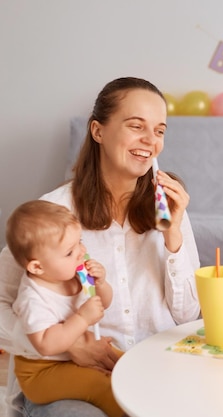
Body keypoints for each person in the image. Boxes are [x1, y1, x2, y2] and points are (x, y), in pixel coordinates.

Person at [0, 77, 200, 417]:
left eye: (159, 131)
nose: (150, 141)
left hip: (156, 371)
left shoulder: (166, 212)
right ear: (98, 131)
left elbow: (187, 314)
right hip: (72, 379)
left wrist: (173, 235)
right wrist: (68, 346)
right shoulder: (54, 213)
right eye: (136, 126)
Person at [6, 200, 124, 417]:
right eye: (70, 252)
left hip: (70, 359)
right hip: (42, 371)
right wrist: (82, 318)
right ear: (37, 267)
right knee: (104, 386)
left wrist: (101, 284)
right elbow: (46, 345)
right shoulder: (33, 298)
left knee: (127, 365)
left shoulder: (71, 274)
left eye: (79, 242)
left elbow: (103, 304)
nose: (81, 252)